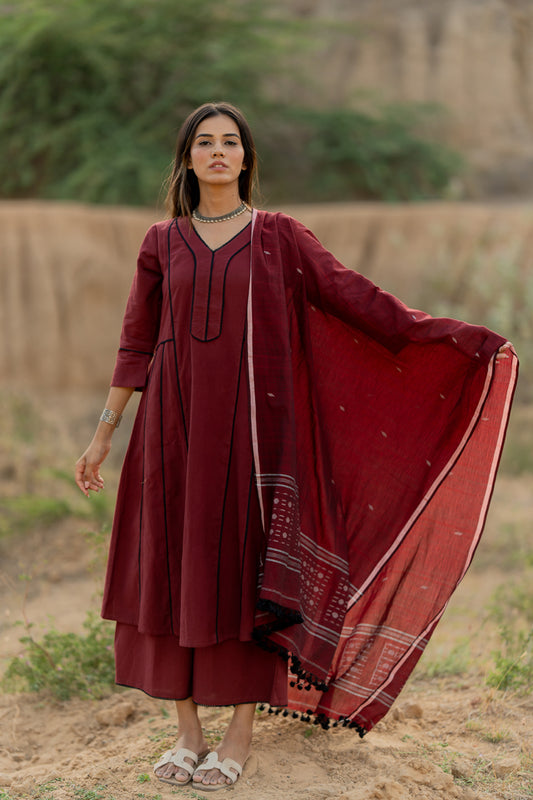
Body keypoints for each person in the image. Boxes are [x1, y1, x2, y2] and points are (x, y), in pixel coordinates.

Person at [75, 102, 517, 792]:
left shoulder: (279, 236)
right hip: (172, 437)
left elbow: (358, 301)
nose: (217, 152)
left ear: (246, 159)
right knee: (170, 573)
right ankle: (188, 735)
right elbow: (136, 346)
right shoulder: (161, 242)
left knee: (244, 577)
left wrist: (456, 340)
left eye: (230, 142)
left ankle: (237, 738)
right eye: (204, 143)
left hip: (256, 446)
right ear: (187, 160)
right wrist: (103, 436)